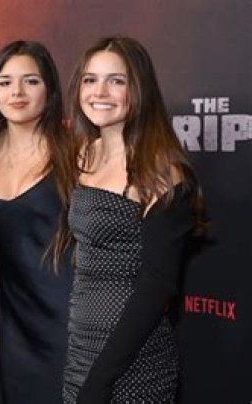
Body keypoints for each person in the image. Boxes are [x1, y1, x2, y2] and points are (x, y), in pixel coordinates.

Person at [61, 36, 205, 403]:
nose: (99, 92)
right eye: (90, 79)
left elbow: (156, 288)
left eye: (116, 81)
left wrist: (101, 380)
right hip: (81, 349)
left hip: (132, 360)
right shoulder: (83, 154)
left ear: (139, 89)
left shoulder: (162, 172)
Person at [0, 41, 75, 403]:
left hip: (74, 315)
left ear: (50, 91)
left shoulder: (75, 149)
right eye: (5, 82)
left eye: (31, 81)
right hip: (15, 319)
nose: (17, 92)